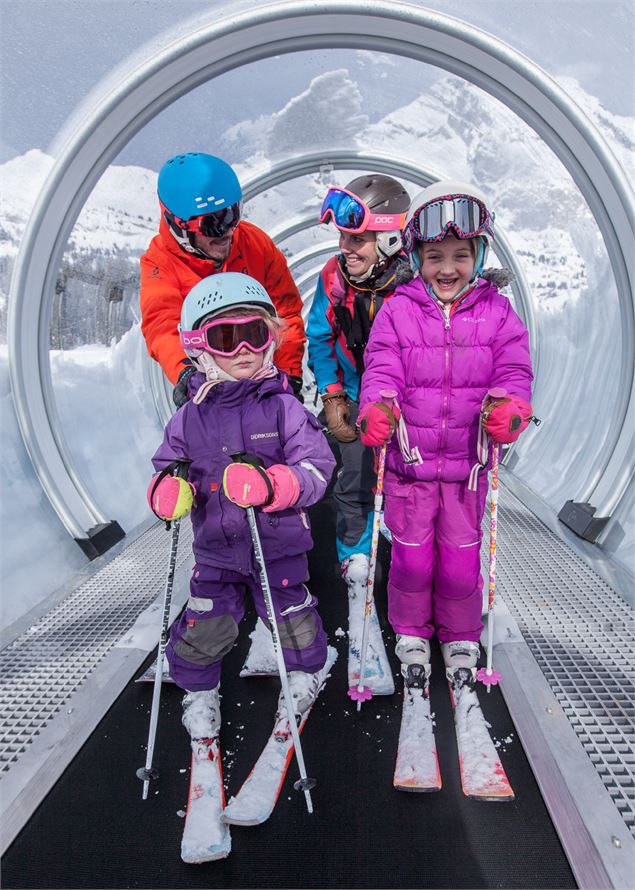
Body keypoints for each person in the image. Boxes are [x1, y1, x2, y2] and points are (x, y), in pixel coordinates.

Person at [357, 181, 535, 690]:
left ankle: (460, 632)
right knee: (411, 555)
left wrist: (510, 407)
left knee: (460, 558)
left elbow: (514, 368)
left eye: (461, 254)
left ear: (479, 256)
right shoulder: (398, 308)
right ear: (417, 257)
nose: (448, 268)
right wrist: (378, 406)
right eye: (435, 256)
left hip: (467, 467)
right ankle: (411, 629)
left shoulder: (496, 311)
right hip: (409, 466)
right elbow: (382, 365)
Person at [146, 271, 336, 742]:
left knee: (294, 621)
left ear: (270, 338)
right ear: (199, 347)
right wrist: (167, 491)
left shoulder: (284, 408)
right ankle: (198, 691)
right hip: (215, 551)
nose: (243, 350)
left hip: (279, 549)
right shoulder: (188, 419)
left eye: (254, 334)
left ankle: (304, 673)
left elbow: (317, 466)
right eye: (225, 338)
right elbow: (168, 463)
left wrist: (275, 486)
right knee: (205, 626)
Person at [306, 173, 412, 693]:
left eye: (357, 239)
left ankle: (406, 546)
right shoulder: (332, 281)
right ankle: (354, 557)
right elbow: (320, 338)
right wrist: (331, 395)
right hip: (351, 395)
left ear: (390, 239)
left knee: (406, 479)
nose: (345, 249)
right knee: (351, 474)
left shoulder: (415, 287)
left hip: (405, 404)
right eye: (343, 239)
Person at [140, 152, 306, 407]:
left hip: (262, 377)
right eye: (213, 225)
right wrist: (185, 372)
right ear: (178, 225)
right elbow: (162, 326)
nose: (229, 230)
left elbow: (285, 313)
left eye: (232, 214)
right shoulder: (161, 264)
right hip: (212, 384)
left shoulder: (254, 244)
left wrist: (289, 375)